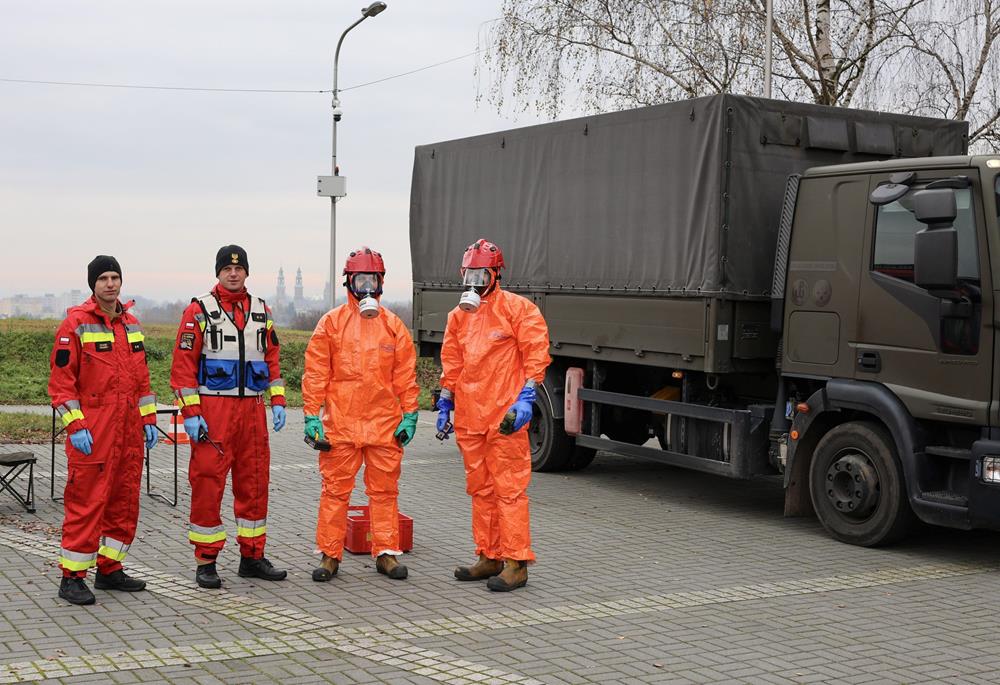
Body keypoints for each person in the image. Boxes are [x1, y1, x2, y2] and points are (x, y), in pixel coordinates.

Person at [170, 245, 287, 589]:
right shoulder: (199, 311)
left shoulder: (262, 311)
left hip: (252, 411)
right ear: (218, 273)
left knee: (255, 484)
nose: (233, 274)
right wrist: (192, 413)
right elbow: (182, 368)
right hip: (214, 412)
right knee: (208, 483)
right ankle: (206, 561)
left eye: (239, 269)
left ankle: (252, 556)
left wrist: (278, 401)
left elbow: (272, 359)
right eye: (227, 269)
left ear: (246, 272)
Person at [436, 239, 551, 592]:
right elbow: (452, 362)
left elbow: (536, 354)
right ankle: (489, 555)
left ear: (495, 274)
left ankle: (516, 563)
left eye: (481, 274)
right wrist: (446, 400)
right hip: (471, 417)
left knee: (509, 490)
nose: (474, 281)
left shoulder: (518, 310)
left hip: (505, 417)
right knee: (481, 490)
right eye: (469, 274)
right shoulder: (458, 317)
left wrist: (526, 398)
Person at [302, 247, 419, 582]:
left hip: (384, 425)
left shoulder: (393, 326)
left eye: (373, 279)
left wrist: (410, 415)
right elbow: (316, 373)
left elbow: (405, 377)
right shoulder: (332, 323)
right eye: (360, 280)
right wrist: (311, 416)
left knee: (385, 492)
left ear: (381, 282)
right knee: (335, 492)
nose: (367, 286)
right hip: (341, 424)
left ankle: (386, 552)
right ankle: (329, 554)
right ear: (349, 282)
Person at [48, 255, 159, 605]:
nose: (110, 284)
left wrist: (148, 419)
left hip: (128, 430)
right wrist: (76, 425)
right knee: (86, 503)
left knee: (123, 501)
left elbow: (142, 380)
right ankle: (72, 577)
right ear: (93, 284)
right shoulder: (75, 324)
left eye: (115, 277)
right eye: (103, 279)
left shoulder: (131, 325)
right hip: (94, 431)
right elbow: (61, 385)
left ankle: (110, 569)